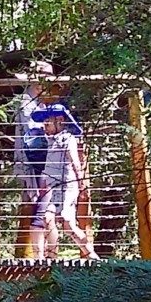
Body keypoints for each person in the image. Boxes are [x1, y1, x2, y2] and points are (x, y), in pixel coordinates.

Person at [31, 103, 99, 259]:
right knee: (47, 218)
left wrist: (82, 185)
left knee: (69, 226)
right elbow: (49, 167)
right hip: (53, 188)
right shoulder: (51, 141)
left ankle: (91, 254)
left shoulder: (68, 139)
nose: (45, 124)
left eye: (48, 120)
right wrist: (43, 186)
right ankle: (51, 258)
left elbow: (75, 162)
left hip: (67, 188)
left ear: (60, 120)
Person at [13, 61, 52, 256]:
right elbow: (31, 131)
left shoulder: (39, 102)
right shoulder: (25, 101)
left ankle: (44, 254)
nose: (40, 85)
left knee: (44, 203)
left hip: (42, 158)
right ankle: (39, 255)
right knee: (39, 201)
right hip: (32, 158)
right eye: (37, 81)